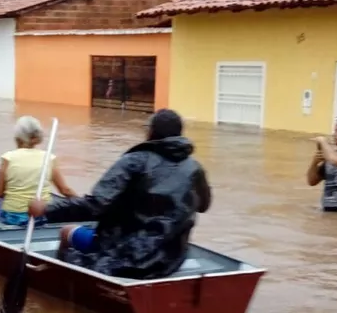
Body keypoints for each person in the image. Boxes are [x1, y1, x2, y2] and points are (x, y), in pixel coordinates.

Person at [27, 109, 212, 280]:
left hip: (126, 256)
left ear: (151, 133)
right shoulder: (195, 168)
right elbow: (204, 205)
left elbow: (94, 206)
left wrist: (47, 209)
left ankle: (62, 277)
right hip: (171, 259)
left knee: (66, 232)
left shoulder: (133, 161)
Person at [0, 116, 76, 226]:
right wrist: (84, 205)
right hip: (42, 216)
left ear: (17, 138)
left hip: (13, 217)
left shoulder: (8, 158)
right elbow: (65, 190)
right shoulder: (49, 158)